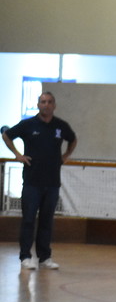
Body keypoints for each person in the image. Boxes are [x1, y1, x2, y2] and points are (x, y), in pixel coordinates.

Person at [4, 92, 77, 271]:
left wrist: (66, 156)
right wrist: (17, 155)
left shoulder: (60, 126)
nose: (46, 105)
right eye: (43, 102)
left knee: (46, 221)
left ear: (54, 105)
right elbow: (7, 135)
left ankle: (45, 257)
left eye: (50, 102)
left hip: (52, 183)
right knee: (29, 220)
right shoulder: (28, 125)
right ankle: (25, 256)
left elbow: (73, 139)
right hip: (32, 182)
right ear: (38, 105)